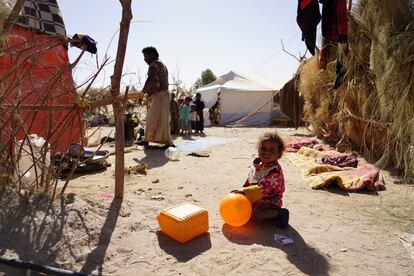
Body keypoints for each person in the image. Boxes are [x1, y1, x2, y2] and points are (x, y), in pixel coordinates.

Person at [232, 132, 289, 229]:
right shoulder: (258, 165)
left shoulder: (274, 170)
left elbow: (264, 188)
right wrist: (242, 191)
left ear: (279, 154)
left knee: (256, 215)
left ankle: (280, 213)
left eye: (272, 150)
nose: (267, 152)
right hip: (255, 197)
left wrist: (245, 192)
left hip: (269, 200)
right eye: (263, 149)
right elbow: (251, 179)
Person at [137, 46, 174, 148]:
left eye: (145, 56)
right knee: (162, 119)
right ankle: (167, 142)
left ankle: (147, 140)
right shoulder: (162, 64)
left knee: (151, 118)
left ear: (152, 55)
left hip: (159, 95)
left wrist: (142, 94)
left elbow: (150, 79)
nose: (144, 59)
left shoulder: (154, 65)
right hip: (163, 94)